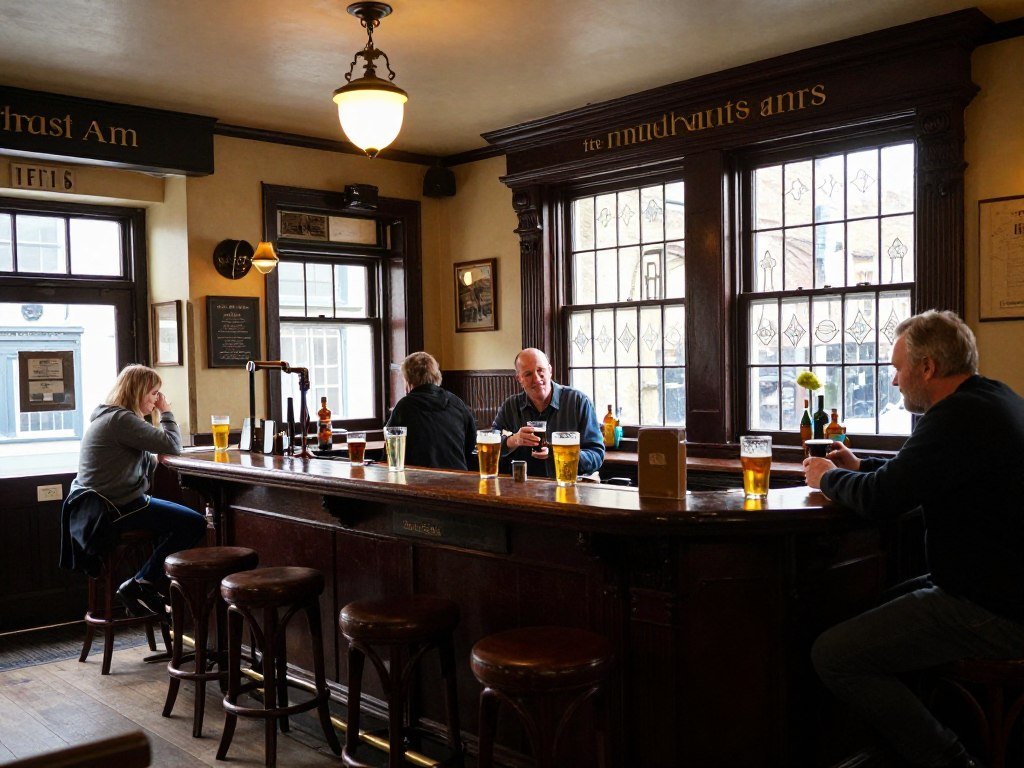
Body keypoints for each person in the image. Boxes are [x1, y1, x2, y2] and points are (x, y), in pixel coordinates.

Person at [803, 310, 1024, 768]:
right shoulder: (992, 398)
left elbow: (882, 499)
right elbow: (914, 475)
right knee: (875, 603)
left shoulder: (955, 418)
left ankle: (950, 759)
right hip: (999, 590)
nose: (894, 381)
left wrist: (826, 478)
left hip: (997, 611)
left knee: (832, 655)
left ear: (927, 368)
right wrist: (859, 467)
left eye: (898, 368)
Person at [60, 364, 207, 618]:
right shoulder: (122, 420)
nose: (156, 400)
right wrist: (166, 412)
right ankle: (141, 584)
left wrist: (156, 454)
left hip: (97, 507)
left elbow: (140, 459)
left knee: (174, 523)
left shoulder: (110, 417)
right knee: (194, 523)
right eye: (153, 393)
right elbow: (173, 446)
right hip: (112, 509)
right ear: (138, 392)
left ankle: (146, 587)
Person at [491, 348, 604, 479]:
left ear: (550, 370)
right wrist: (513, 440)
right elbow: (491, 442)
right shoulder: (511, 406)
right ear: (519, 379)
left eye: (540, 370)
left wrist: (560, 454)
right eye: (528, 374)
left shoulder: (578, 401)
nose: (536, 378)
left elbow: (596, 455)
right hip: (523, 487)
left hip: (568, 485)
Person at [385, 351, 476, 470]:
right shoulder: (457, 403)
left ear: (408, 381)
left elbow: (391, 451)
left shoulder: (404, 407)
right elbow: (470, 445)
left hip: (419, 478)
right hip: (457, 475)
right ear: (437, 376)